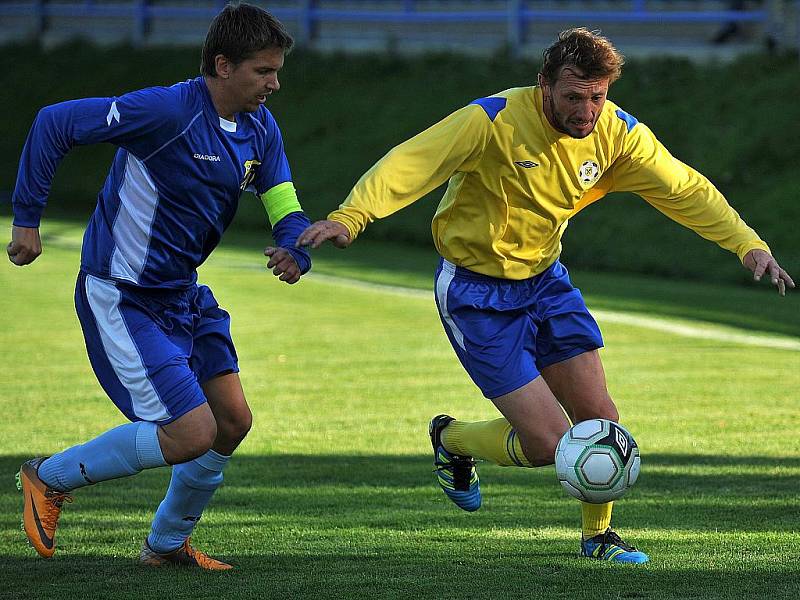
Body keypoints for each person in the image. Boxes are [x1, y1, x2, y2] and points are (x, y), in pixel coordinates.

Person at [297, 27, 794, 563]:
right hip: (475, 291)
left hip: (545, 283)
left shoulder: (619, 133)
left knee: (601, 417)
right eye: (573, 96)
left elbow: (684, 188)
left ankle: (598, 537)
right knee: (548, 446)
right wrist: (352, 216)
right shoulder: (493, 120)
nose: (586, 110)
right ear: (544, 86)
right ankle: (453, 440)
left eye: (597, 97)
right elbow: (410, 163)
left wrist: (747, 245)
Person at [8, 3, 311, 569]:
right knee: (191, 432)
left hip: (183, 296)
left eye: (276, 71)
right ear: (222, 65)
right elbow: (55, 122)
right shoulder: (168, 111)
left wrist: (295, 248)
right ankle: (45, 479)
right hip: (123, 295)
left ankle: (166, 545)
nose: (275, 83)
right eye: (263, 71)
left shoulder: (260, 128)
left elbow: (284, 205)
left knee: (231, 423)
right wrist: (27, 220)